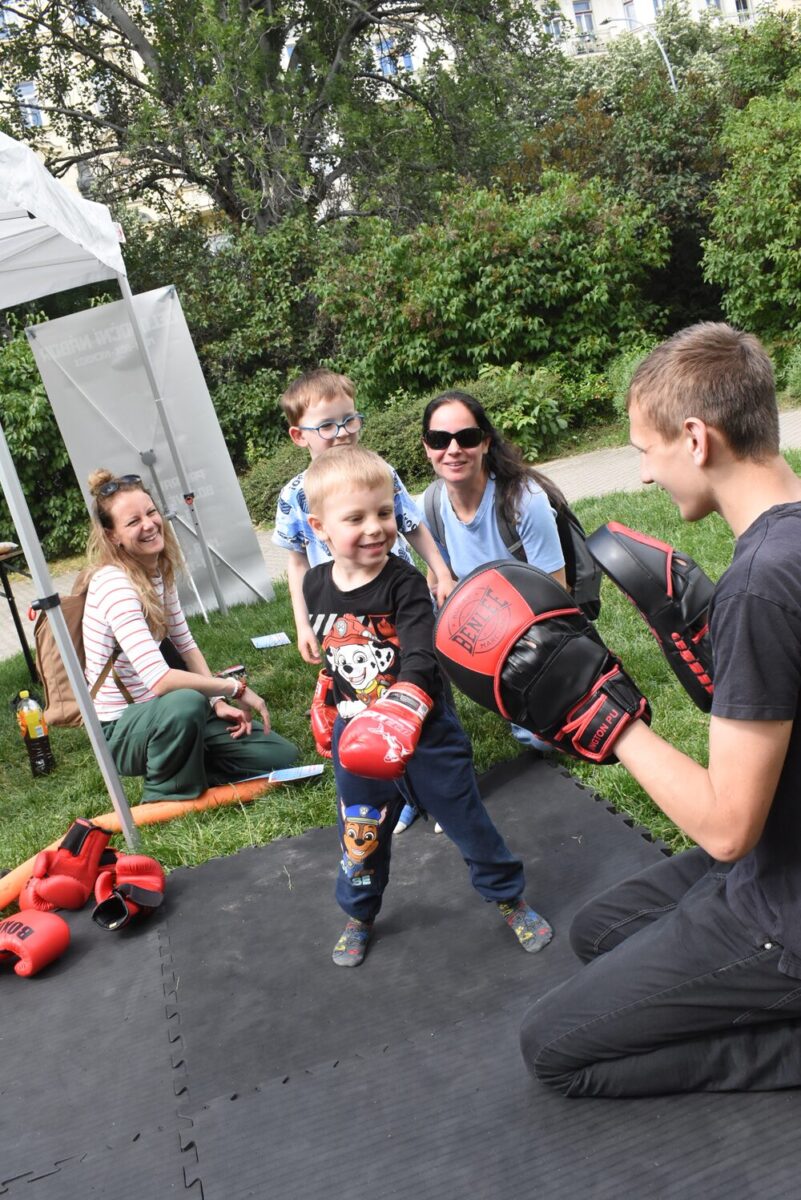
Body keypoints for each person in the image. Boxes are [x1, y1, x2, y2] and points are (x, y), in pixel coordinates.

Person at [520, 322, 801, 1097]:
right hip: (785, 839)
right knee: (598, 933)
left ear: (695, 438)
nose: (643, 475)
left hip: (783, 905)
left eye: (645, 451)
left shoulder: (761, 584)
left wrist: (608, 719)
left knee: (553, 1050)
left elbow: (726, 828)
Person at [301, 445, 553, 967]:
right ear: (319, 527)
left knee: (466, 820)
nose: (376, 528)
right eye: (356, 518)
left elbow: (419, 651)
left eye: (384, 512)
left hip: (425, 734)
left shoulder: (403, 582)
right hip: (358, 741)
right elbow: (338, 655)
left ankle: (509, 898)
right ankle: (359, 913)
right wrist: (329, 694)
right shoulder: (315, 584)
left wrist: (406, 701)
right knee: (361, 834)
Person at [273, 368, 455, 833]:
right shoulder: (294, 496)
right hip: (346, 624)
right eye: (327, 425)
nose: (342, 433)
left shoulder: (380, 472)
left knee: (424, 681)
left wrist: (441, 571)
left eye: (349, 420)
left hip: (400, 605)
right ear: (299, 435)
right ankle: (405, 793)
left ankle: (445, 787)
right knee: (368, 701)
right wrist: (303, 623)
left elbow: (412, 525)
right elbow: (296, 562)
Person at [82, 470, 298, 802]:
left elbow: (185, 645)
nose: (149, 525)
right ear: (113, 537)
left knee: (279, 754)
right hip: (122, 730)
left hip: (167, 713)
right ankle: (164, 793)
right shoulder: (115, 585)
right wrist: (234, 688)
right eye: (133, 521)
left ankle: (190, 766)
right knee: (185, 701)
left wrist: (216, 703)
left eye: (151, 512)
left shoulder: (157, 569)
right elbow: (160, 681)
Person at [421, 389, 566, 761]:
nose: (453, 450)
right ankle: (438, 718)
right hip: (475, 620)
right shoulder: (430, 506)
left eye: (466, 437)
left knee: (541, 740)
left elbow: (557, 597)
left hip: (530, 624)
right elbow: (436, 580)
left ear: (485, 442)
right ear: (427, 447)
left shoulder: (524, 500)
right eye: (439, 440)